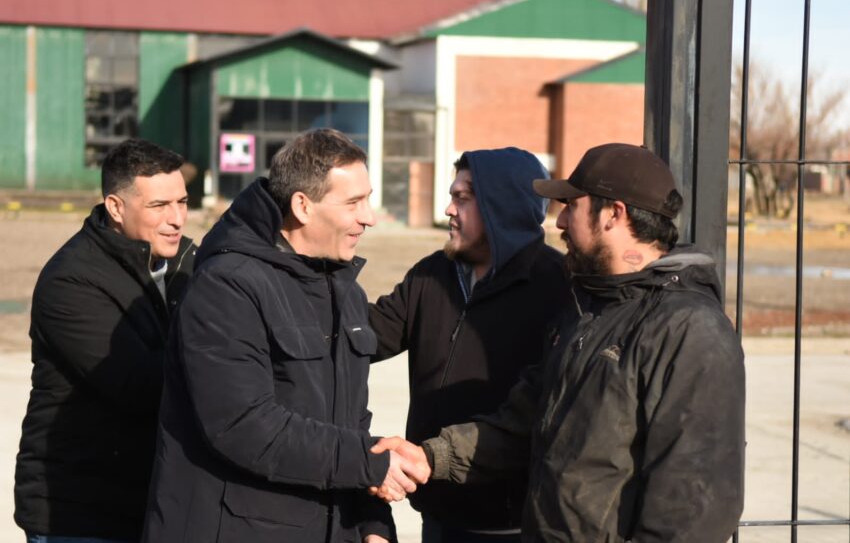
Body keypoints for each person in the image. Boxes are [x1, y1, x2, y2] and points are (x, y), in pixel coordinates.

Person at [374, 143, 746, 542]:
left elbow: (691, 513)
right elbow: (525, 422)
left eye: (572, 206)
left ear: (613, 214)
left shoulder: (690, 330)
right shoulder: (589, 312)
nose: (560, 221)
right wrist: (432, 456)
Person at [142, 128, 427, 543]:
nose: (368, 217)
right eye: (353, 203)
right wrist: (370, 464)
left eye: (368, 199)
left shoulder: (345, 292)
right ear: (302, 206)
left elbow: (352, 426)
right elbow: (243, 425)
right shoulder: (227, 286)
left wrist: (373, 523)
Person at [369, 148, 569, 542]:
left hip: (517, 525)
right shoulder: (432, 273)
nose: (448, 210)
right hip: (438, 512)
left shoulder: (558, 285)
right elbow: (368, 336)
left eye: (462, 198)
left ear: (502, 207)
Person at [15, 139, 196, 543]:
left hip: (153, 503)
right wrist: (228, 365)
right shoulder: (70, 281)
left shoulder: (186, 262)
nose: (176, 219)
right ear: (115, 207)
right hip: (78, 513)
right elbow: (138, 384)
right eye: (158, 206)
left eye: (182, 202)